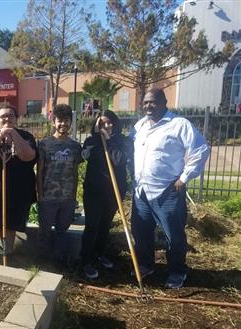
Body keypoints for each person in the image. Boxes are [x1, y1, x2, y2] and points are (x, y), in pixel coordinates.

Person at [130, 88, 209, 289]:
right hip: (142, 191)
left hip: (167, 192)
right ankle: (146, 265)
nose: (148, 106)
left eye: (153, 102)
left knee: (173, 235)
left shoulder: (178, 125)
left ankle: (177, 271)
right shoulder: (140, 126)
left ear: (164, 103)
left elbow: (201, 149)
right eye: (146, 102)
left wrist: (184, 178)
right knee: (141, 232)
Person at [0, 104, 37, 252]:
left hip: (17, 192)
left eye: (11, 116)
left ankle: (8, 254)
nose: (7, 118)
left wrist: (12, 133)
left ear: (16, 119)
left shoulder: (26, 136)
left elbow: (28, 156)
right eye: (3, 116)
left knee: (11, 225)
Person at [80, 110, 128, 280]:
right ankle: (86, 260)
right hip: (94, 192)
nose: (106, 126)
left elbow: (120, 160)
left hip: (115, 191)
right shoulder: (91, 142)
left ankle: (99, 254)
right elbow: (86, 155)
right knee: (92, 226)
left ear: (115, 123)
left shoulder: (122, 141)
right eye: (102, 123)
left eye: (109, 122)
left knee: (105, 225)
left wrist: (108, 141)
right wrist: (99, 141)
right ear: (96, 126)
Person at [37, 104, 82, 264]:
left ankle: (59, 260)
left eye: (67, 121)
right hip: (48, 197)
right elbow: (40, 171)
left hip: (67, 198)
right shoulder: (44, 144)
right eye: (60, 121)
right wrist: (40, 195)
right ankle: (42, 261)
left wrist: (73, 195)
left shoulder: (75, 146)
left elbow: (75, 171)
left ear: (71, 122)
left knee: (62, 230)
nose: (63, 124)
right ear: (53, 122)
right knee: (45, 231)